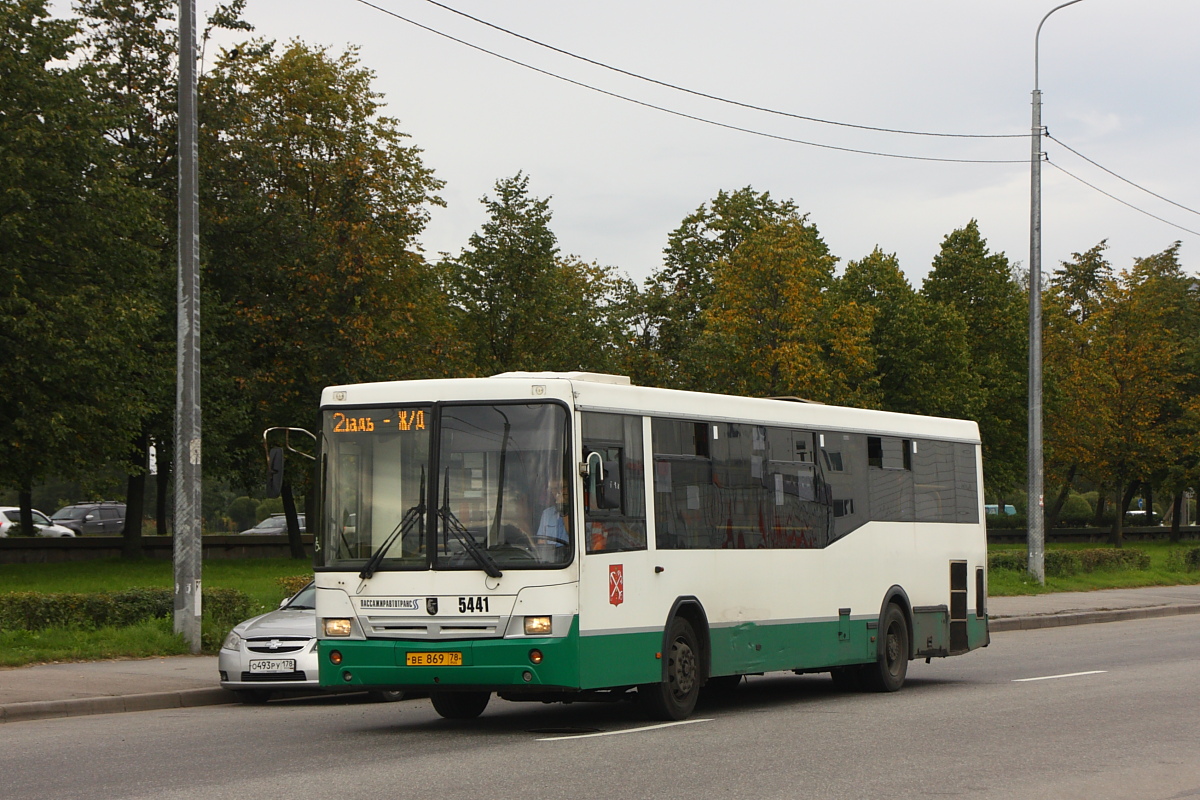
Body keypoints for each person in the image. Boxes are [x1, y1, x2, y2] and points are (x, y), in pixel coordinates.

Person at [535, 473, 569, 546]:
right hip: (552, 553)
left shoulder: (581, 511)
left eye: (563, 487)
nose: (559, 492)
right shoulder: (547, 513)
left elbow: (572, 532)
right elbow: (541, 540)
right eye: (554, 489)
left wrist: (563, 508)